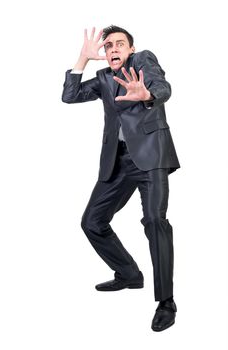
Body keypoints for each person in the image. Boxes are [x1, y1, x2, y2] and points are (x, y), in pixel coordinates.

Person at [62, 25, 180, 332]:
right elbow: (69, 96)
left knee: (155, 221)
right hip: (117, 161)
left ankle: (166, 301)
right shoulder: (103, 78)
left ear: (130, 48)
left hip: (151, 157)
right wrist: (83, 59)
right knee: (92, 221)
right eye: (108, 46)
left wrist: (148, 94)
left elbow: (162, 87)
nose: (113, 49)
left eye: (119, 44)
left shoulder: (143, 61)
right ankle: (128, 273)